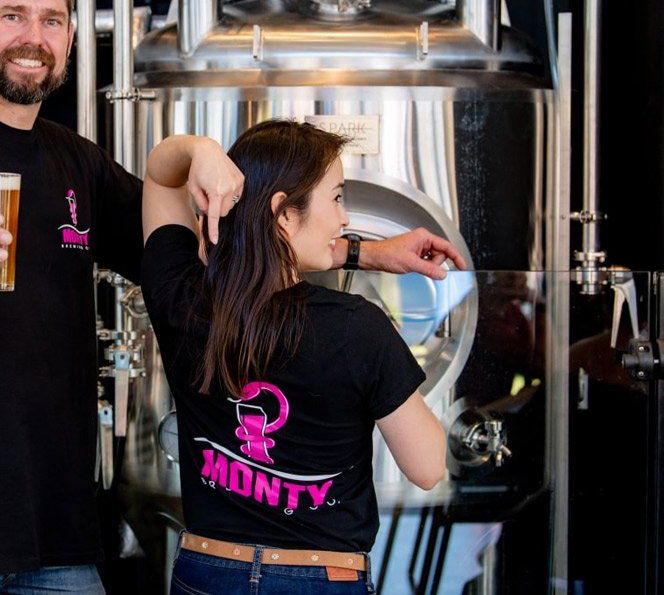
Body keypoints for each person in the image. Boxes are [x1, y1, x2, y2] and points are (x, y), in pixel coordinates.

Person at [0, 0, 464, 594]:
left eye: (53, 20)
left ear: (71, 38)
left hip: (59, 538)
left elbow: (220, 251)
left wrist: (366, 253)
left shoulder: (73, 160)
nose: (34, 38)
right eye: (14, 16)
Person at [140, 121, 449, 594]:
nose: (344, 219)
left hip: (207, 570)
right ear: (284, 214)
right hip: (319, 577)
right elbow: (427, 468)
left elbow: (162, 177)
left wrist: (199, 148)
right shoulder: (357, 327)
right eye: (337, 198)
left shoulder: (182, 300)